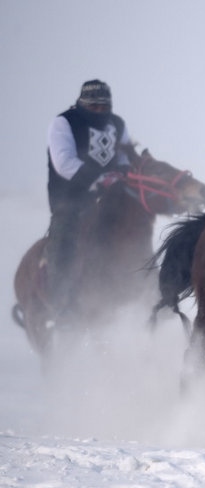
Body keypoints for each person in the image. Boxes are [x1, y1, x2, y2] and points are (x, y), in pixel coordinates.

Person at [46, 79, 138, 315]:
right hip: (70, 199)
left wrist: (124, 172)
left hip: (112, 197)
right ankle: (61, 302)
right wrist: (98, 179)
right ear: (82, 104)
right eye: (94, 107)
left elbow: (126, 156)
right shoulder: (64, 123)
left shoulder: (117, 123)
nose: (99, 111)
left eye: (104, 107)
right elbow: (64, 162)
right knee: (63, 236)